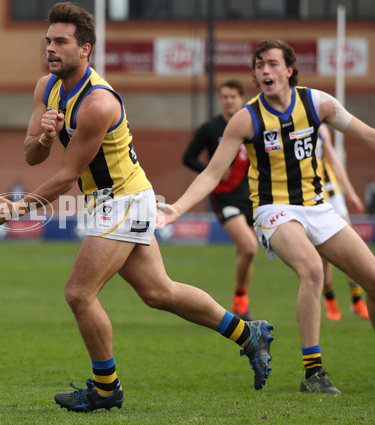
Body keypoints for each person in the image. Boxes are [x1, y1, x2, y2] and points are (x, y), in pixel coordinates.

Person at [0, 2, 273, 413]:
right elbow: (30, 156)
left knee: (79, 293)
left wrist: (17, 207)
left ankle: (105, 387)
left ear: (85, 50)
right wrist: (45, 137)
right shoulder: (46, 87)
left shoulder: (98, 103)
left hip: (125, 202)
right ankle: (247, 334)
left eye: (61, 41)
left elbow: (67, 175)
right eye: (48, 41)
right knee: (159, 292)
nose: (50, 48)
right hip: (113, 201)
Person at [158, 38, 375, 395]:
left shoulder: (318, 102)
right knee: (313, 270)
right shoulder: (247, 118)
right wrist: (177, 209)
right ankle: (313, 373)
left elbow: (365, 132)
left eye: (272, 64)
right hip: (274, 210)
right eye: (259, 65)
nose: (264, 71)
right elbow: (211, 173)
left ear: (289, 70)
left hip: (318, 206)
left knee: (371, 278)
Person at [183, 79, 257, 321]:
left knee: (246, 252)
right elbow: (188, 157)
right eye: (224, 97)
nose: (228, 101)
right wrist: (210, 168)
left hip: (251, 196)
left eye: (233, 96)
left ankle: (241, 298)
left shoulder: (253, 125)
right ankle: (240, 298)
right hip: (224, 197)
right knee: (248, 246)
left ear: (241, 98)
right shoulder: (211, 128)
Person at [316, 125, 370, 321]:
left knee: (351, 243)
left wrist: (351, 193)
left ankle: (356, 299)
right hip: (311, 198)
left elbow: (334, 161)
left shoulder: (320, 127)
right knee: (323, 254)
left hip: (333, 194)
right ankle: (329, 298)